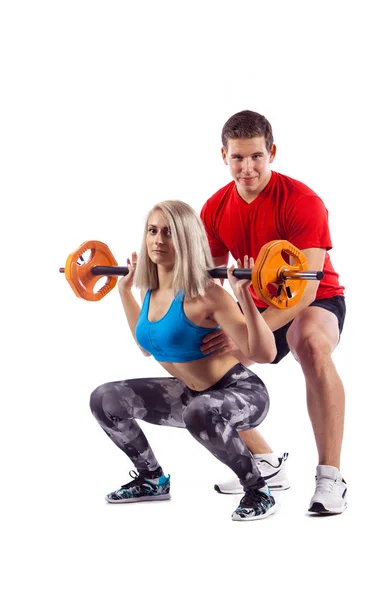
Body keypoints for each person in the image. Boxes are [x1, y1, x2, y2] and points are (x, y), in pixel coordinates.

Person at [90, 200, 279, 521]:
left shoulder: (208, 294)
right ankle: (152, 480)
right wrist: (124, 292)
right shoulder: (151, 289)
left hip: (242, 393)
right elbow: (147, 346)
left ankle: (258, 490)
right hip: (192, 395)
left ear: (187, 240)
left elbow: (266, 354)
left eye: (169, 233)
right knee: (105, 398)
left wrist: (244, 294)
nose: (158, 240)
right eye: (153, 231)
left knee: (200, 411)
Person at [200, 110, 347, 515]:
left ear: (272, 153)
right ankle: (263, 461)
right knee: (202, 357)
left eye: (256, 157)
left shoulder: (302, 202)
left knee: (310, 343)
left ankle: (331, 477)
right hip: (255, 303)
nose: (247, 168)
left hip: (314, 300)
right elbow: (211, 283)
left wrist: (249, 331)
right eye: (238, 158)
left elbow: (306, 290)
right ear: (224, 156)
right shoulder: (214, 208)